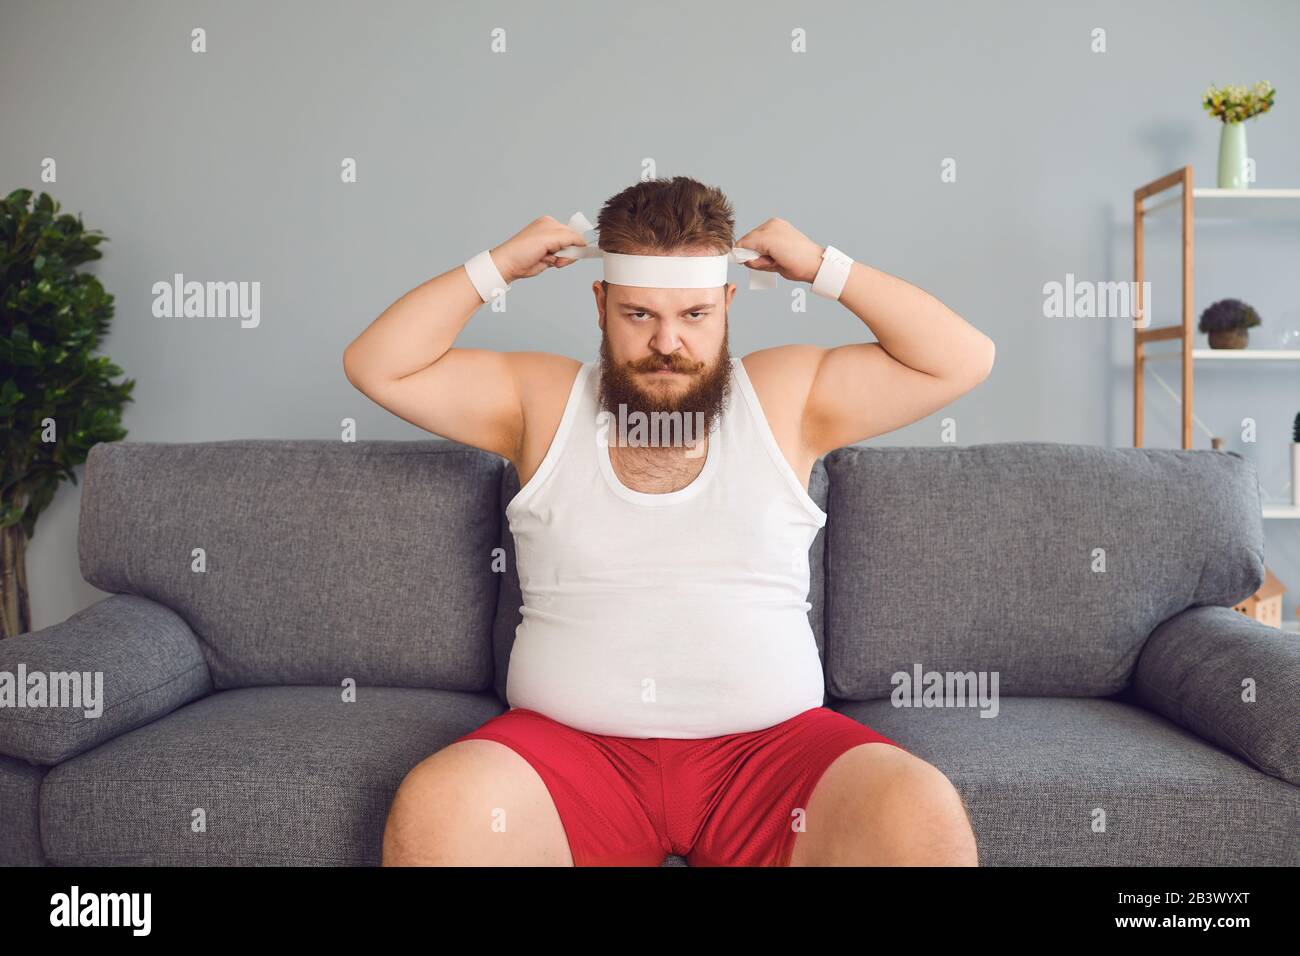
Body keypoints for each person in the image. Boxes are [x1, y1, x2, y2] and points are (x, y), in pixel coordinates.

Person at [343, 176, 994, 866]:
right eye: (639, 315)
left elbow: (963, 358)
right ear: (600, 304)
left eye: (693, 315)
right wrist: (497, 267)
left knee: (921, 813)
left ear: (728, 306)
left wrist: (824, 267)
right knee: (438, 807)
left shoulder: (785, 397)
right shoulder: (538, 400)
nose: (666, 343)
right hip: (569, 757)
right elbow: (377, 366)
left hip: (774, 757)